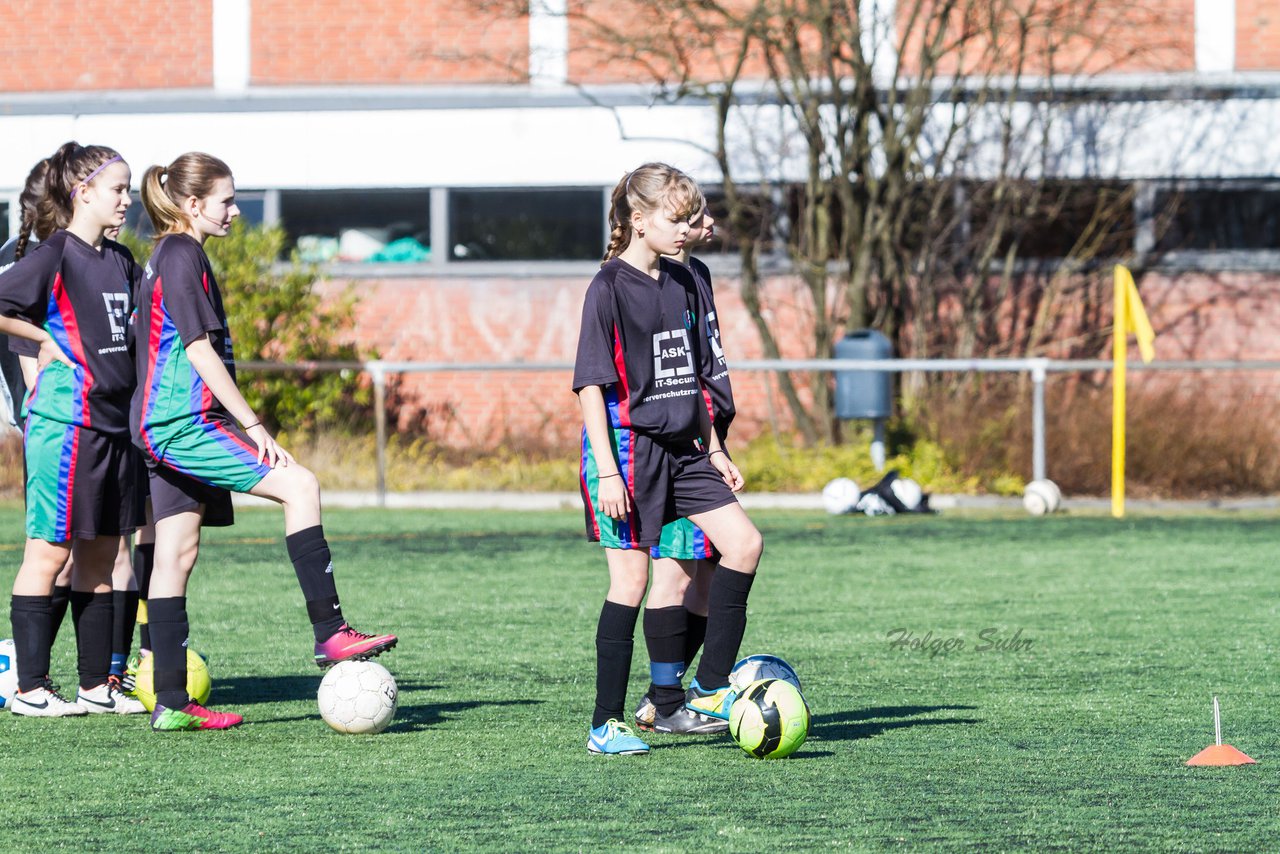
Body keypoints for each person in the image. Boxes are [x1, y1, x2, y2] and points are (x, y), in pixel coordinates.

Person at [133, 152, 396, 732]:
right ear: (193, 204)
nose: (234, 211)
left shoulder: (173, 253)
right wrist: (254, 426)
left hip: (160, 423)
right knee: (302, 484)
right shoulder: (181, 253)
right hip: (183, 424)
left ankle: (171, 703)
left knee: (176, 554)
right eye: (227, 201)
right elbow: (198, 351)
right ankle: (330, 631)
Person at [574, 163, 764, 755]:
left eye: (689, 220)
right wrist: (607, 470)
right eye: (674, 220)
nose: (686, 230)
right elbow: (590, 388)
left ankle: (702, 691)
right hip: (627, 453)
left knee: (743, 544)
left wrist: (715, 448)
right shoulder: (606, 288)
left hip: (686, 452)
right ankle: (606, 724)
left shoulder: (684, 282)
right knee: (631, 581)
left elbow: (692, 382)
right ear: (638, 221)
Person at [0, 143, 146, 716]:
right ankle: (31, 691)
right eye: (117, 189)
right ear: (82, 192)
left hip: (114, 426)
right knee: (48, 551)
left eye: (129, 189)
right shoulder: (54, 255)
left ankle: (95, 686)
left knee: (102, 556)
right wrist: (41, 340)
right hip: (67, 424)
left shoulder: (121, 259)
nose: (125, 200)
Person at [633, 203, 738, 731]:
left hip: (706, 437)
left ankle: (666, 695)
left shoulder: (696, 271)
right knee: (675, 577)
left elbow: (705, 362)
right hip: (678, 447)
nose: (708, 223)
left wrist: (717, 440)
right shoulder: (659, 280)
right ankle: (668, 697)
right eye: (695, 216)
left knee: (710, 574)